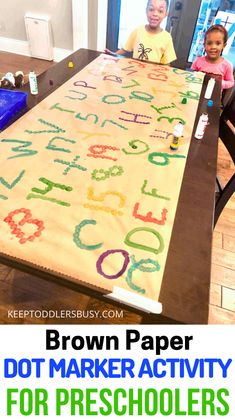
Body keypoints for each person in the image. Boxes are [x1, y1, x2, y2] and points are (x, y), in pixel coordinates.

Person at [106, 0, 176, 65]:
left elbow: (167, 64)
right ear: (146, 11)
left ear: (166, 14)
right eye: (151, 9)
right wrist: (112, 55)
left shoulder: (167, 37)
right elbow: (125, 49)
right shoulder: (137, 31)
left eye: (160, 11)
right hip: (135, 72)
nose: (155, 14)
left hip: (152, 75)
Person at [191, 24, 234, 90]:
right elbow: (192, 75)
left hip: (213, 97)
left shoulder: (227, 65)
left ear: (224, 45)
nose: (213, 47)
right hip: (195, 92)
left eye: (218, 43)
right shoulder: (198, 61)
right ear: (204, 45)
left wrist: (221, 83)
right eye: (209, 43)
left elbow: (231, 82)